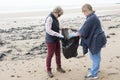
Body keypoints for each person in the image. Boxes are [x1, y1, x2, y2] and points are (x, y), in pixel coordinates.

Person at [69, 4, 107, 79]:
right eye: (83, 12)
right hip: (97, 38)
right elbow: (86, 28)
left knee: (95, 56)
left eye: (84, 11)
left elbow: (82, 32)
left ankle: (94, 74)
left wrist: (72, 35)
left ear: (88, 10)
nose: (84, 13)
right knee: (95, 56)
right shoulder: (92, 16)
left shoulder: (91, 18)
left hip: (96, 40)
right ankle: (95, 68)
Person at [45, 6, 66, 78]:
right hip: (51, 40)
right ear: (56, 12)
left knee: (58, 54)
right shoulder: (49, 18)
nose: (59, 16)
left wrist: (61, 28)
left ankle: (59, 67)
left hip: (57, 39)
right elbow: (48, 30)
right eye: (59, 14)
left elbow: (56, 27)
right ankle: (48, 70)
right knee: (50, 55)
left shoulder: (55, 18)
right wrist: (58, 34)